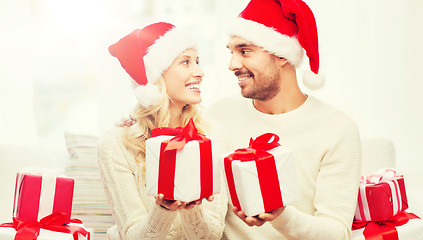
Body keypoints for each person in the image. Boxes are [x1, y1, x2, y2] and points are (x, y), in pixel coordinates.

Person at [206, 0, 362, 239]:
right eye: (231, 52)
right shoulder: (216, 117)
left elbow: (337, 232)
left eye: (245, 51)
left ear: (282, 56)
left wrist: (281, 216)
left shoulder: (337, 129)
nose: (232, 65)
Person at [97, 22, 226, 240]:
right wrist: (164, 210)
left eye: (197, 61)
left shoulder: (212, 136)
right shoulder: (116, 144)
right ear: (156, 77)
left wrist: (191, 207)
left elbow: (211, 235)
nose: (200, 72)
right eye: (185, 62)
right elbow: (132, 235)